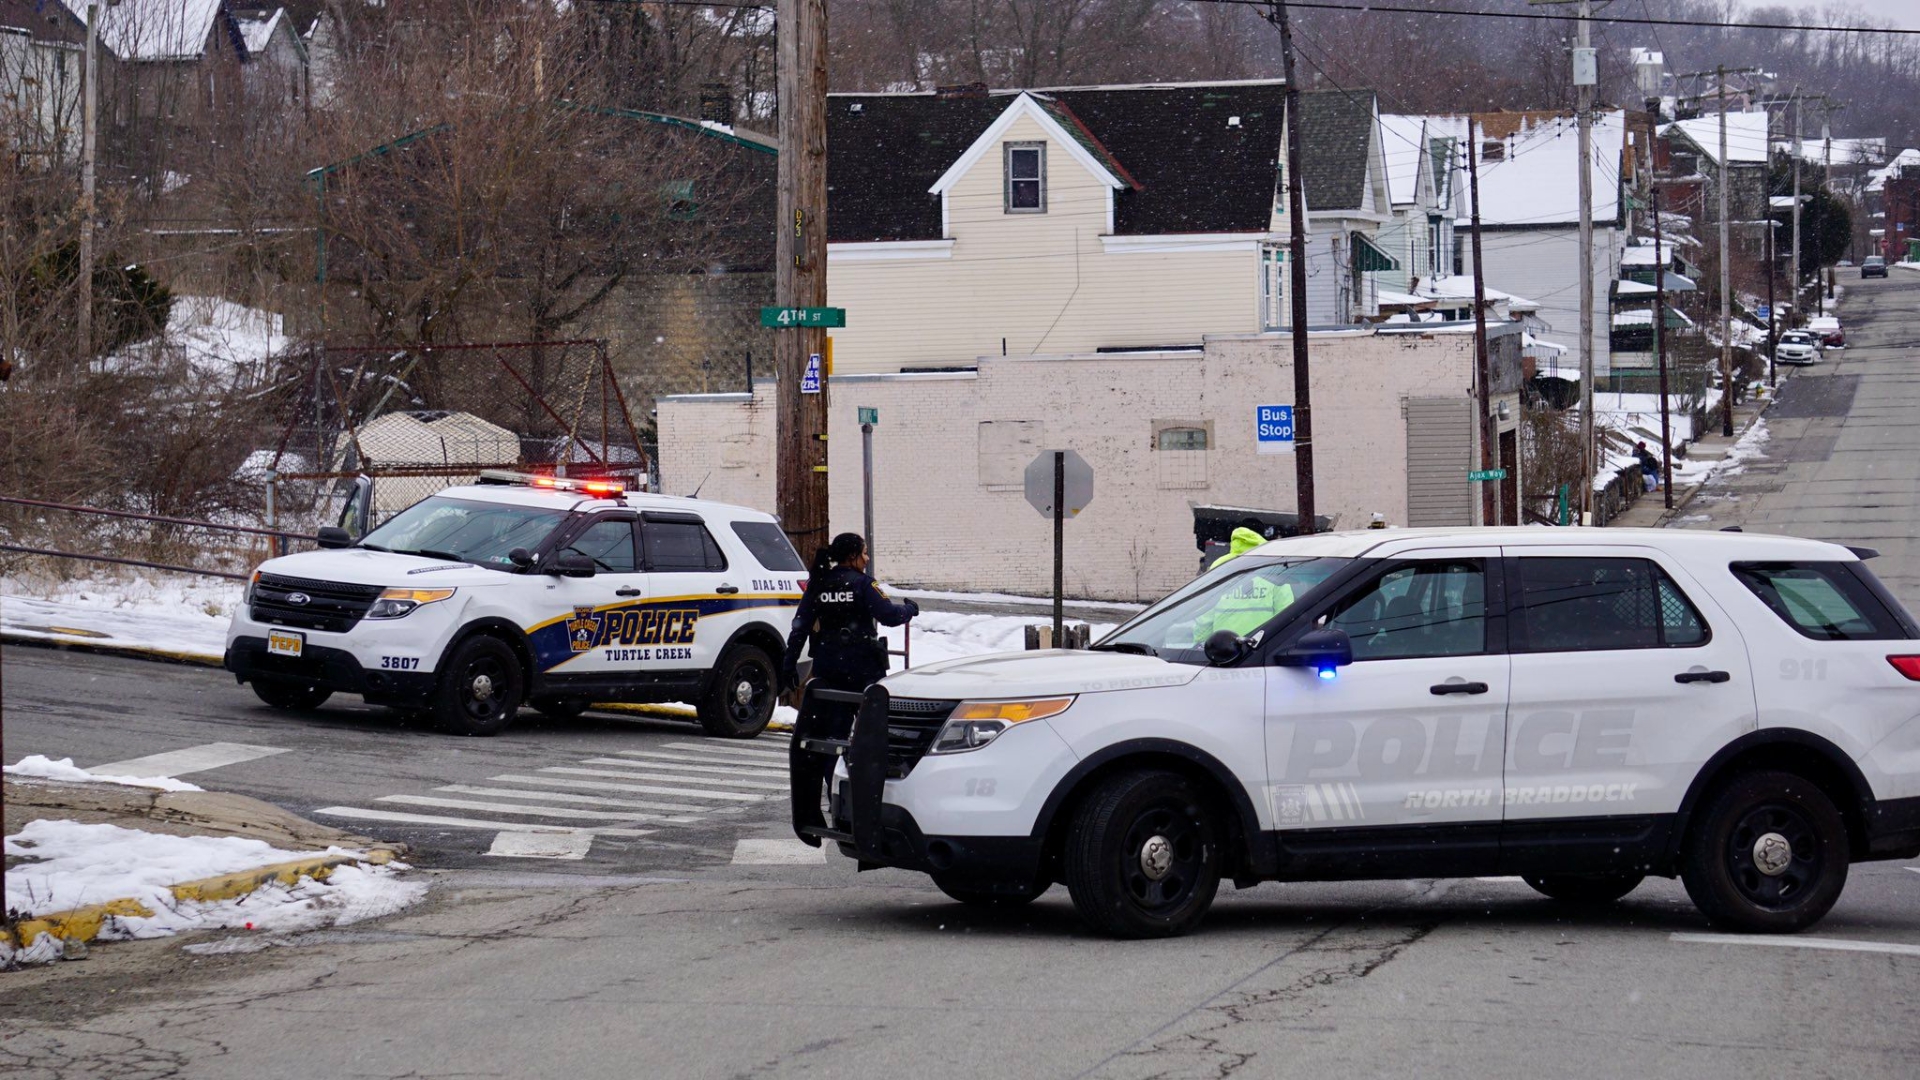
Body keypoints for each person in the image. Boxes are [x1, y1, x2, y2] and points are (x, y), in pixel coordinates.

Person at [781, 532, 918, 696]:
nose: (867, 559)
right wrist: (910, 609)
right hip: (862, 665)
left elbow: (800, 628)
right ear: (853, 555)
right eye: (864, 553)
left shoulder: (818, 584)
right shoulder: (863, 583)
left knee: (835, 719)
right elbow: (890, 615)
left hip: (828, 665)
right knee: (868, 719)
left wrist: (789, 665)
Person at [1193, 525, 1295, 643]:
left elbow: (1206, 612)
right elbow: (1285, 611)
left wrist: (1201, 643)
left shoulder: (1221, 564)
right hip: (1261, 646)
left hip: (1223, 648)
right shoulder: (1272, 565)